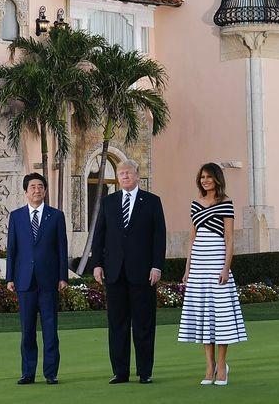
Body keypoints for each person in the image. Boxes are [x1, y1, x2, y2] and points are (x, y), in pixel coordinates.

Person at [91, 158, 166, 384]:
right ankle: (120, 372)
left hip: (143, 273)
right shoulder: (109, 202)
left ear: (137, 175)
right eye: (121, 173)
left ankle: (145, 372)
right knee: (117, 324)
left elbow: (159, 237)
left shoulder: (152, 202)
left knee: (143, 324)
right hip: (114, 273)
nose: (124, 176)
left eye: (128, 173)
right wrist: (97, 264)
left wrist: (157, 266)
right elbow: (99, 235)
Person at [177, 163, 246, 385]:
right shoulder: (195, 204)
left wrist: (226, 267)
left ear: (217, 179)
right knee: (203, 315)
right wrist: (188, 268)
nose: (205, 180)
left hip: (217, 262)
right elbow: (192, 238)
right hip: (199, 265)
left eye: (209, 176)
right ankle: (209, 367)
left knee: (221, 316)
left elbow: (229, 238)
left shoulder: (226, 203)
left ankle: (223, 365)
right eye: (202, 177)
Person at [6, 172, 68, 385]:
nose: (36, 190)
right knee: (27, 330)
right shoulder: (16, 216)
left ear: (45, 190)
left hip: (49, 281)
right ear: (26, 191)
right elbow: (12, 249)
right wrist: (9, 277)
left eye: (40, 186)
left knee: (50, 329)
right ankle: (28, 373)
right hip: (24, 281)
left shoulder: (56, 216)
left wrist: (63, 276)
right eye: (32, 187)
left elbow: (62, 248)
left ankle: (51, 373)